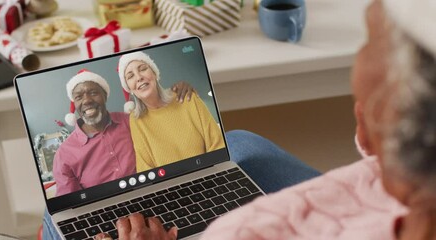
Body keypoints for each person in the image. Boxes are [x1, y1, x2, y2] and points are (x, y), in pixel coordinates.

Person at [90, 0, 436, 239]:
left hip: (209, 189)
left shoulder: (241, 232)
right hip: (174, 181)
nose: (137, 77)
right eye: (130, 75)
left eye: (370, 37)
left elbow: (211, 139)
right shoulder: (139, 119)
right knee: (239, 141)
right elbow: (149, 159)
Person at [52, 69, 195, 197]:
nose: (87, 100)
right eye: (79, 97)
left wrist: (176, 93)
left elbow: (164, 121)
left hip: (151, 194)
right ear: (75, 104)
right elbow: (71, 205)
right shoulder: (64, 154)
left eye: (94, 93)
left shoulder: (133, 121)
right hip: (105, 213)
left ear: (105, 96)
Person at [117, 51, 225, 172]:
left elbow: (217, 145)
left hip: (208, 173)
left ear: (154, 74)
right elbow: (145, 168)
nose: (139, 77)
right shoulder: (136, 120)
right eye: (130, 76)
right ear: (129, 89)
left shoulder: (187, 97)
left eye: (142, 69)